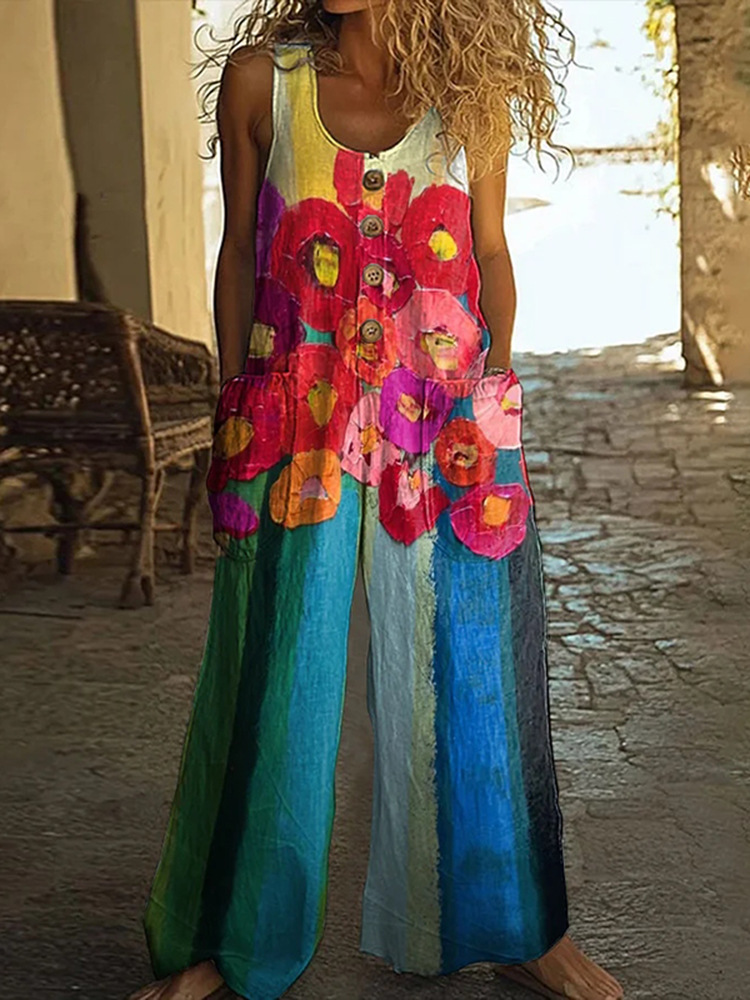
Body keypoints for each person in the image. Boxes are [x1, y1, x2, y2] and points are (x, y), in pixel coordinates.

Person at [129, 1, 624, 999]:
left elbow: (489, 251)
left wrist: (492, 391)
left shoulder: (468, 96)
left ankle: (520, 926)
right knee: (278, 668)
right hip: (294, 414)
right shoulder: (265, 83)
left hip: (443, 417)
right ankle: (229, 939)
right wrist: (235, 401)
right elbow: (239, 253)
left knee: (476, 669)